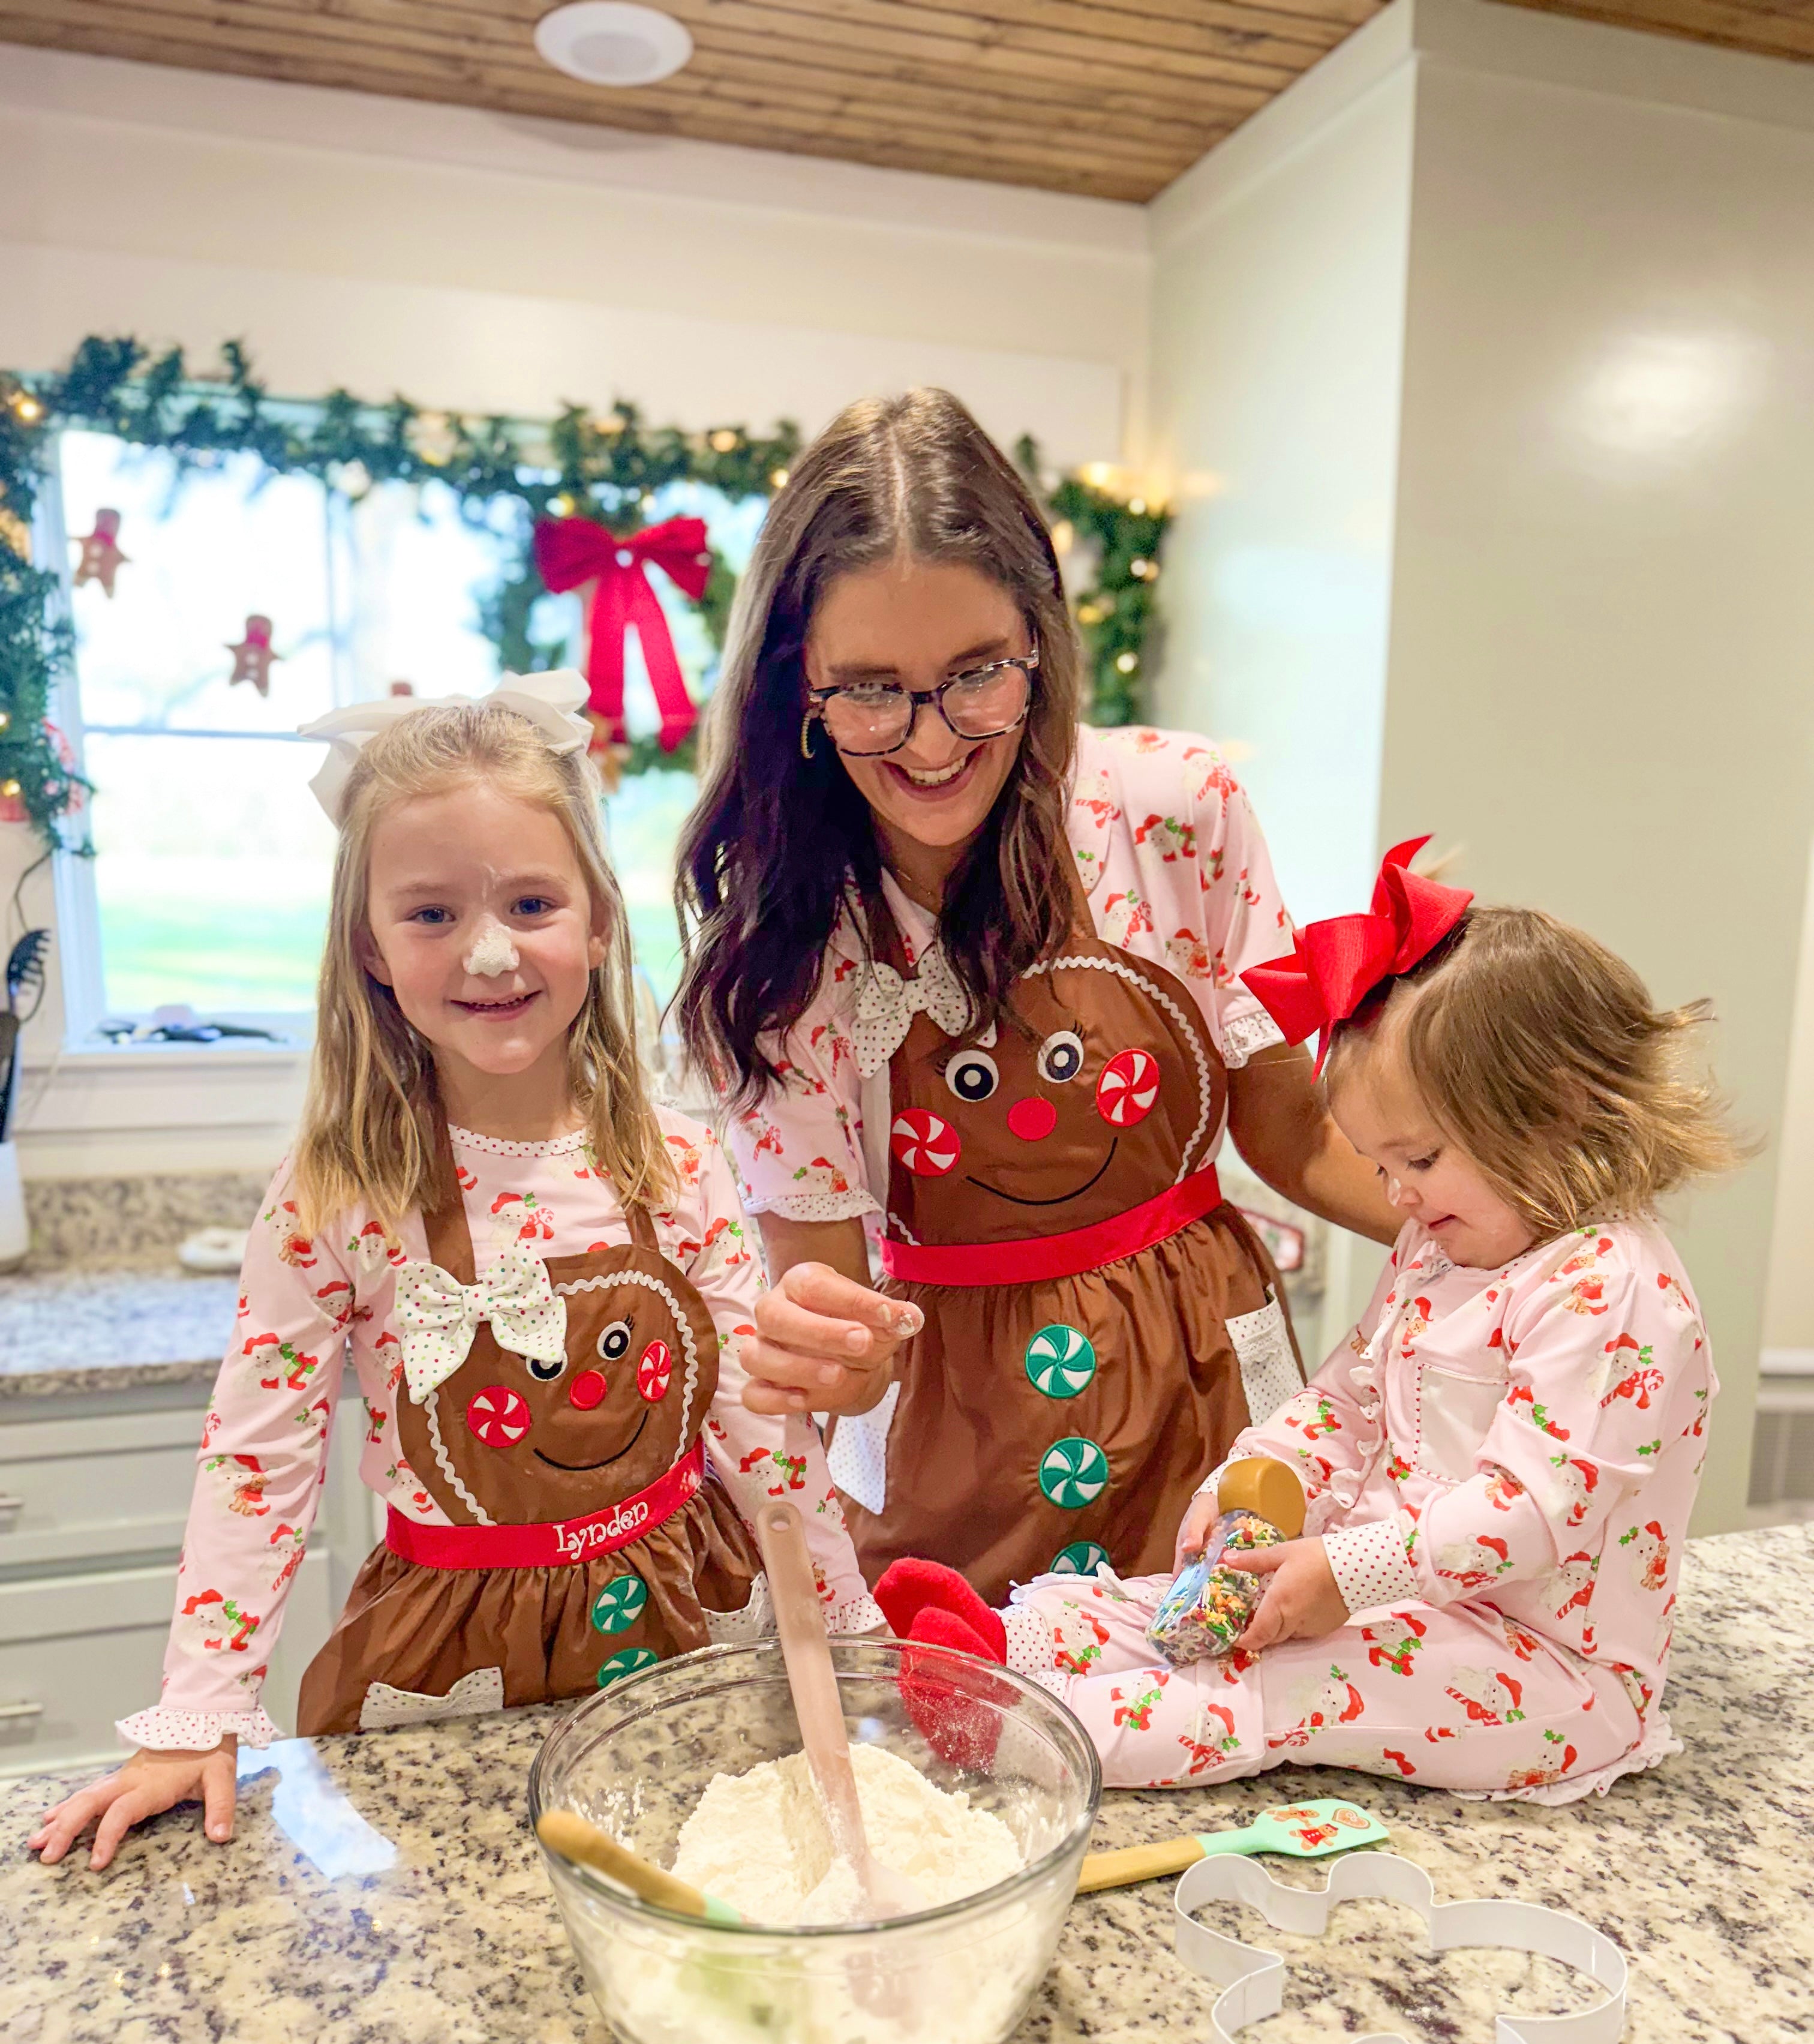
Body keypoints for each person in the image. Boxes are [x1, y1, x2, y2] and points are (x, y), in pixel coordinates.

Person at [33, 674, 876, 1872]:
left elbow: (752, 1418)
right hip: (451, 1656)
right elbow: (256, 1459)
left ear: (595, 920)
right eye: (431, 914)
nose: (489, 950)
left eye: (530, 901)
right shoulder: (336, 1193)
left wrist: (841, 1622)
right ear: (371, 949)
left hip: (687, 1621)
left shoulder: (675, 1159)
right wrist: (199, 1710)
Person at [675, 387, 1399, 1601]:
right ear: (795, 684)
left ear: (1040, 638)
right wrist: (830, 1356)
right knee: (970, 1739)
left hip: (1209, 1373)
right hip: (950, 1430)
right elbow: (832, 1290)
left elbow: (1286, 1123)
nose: (930, 741)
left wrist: (1495, 1223)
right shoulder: (783, 935)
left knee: (1229, 1695)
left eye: (976, 675)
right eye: (869, 689)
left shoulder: (1175, 809)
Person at [879, 844, 1740, 1803]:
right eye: (1381, 1167)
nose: (1395, 1195)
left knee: (1295, 1681)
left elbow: (1535, 1511)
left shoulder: (1614, 1292)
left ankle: (1034, 1731)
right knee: (1196, 1603)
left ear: (1556, 1111)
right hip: (1401, 1597)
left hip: (1546, 1674)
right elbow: (1351, 1392)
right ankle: (1009, 1647)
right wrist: (1273, 1467)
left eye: (1417, 1158)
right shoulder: (1444, 1244)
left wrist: (1347, 1571)